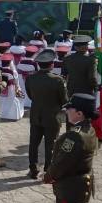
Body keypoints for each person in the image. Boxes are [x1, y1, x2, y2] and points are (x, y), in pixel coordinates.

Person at [25, 49, 68, 179]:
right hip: (53, 116)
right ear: (52, 64)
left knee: (33, 143)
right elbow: (64, 101)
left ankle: (33, 169)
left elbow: (30, 95)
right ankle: (48, 171)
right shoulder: (58, 80)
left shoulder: (30, 78)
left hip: (36, 114)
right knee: (51, 145)